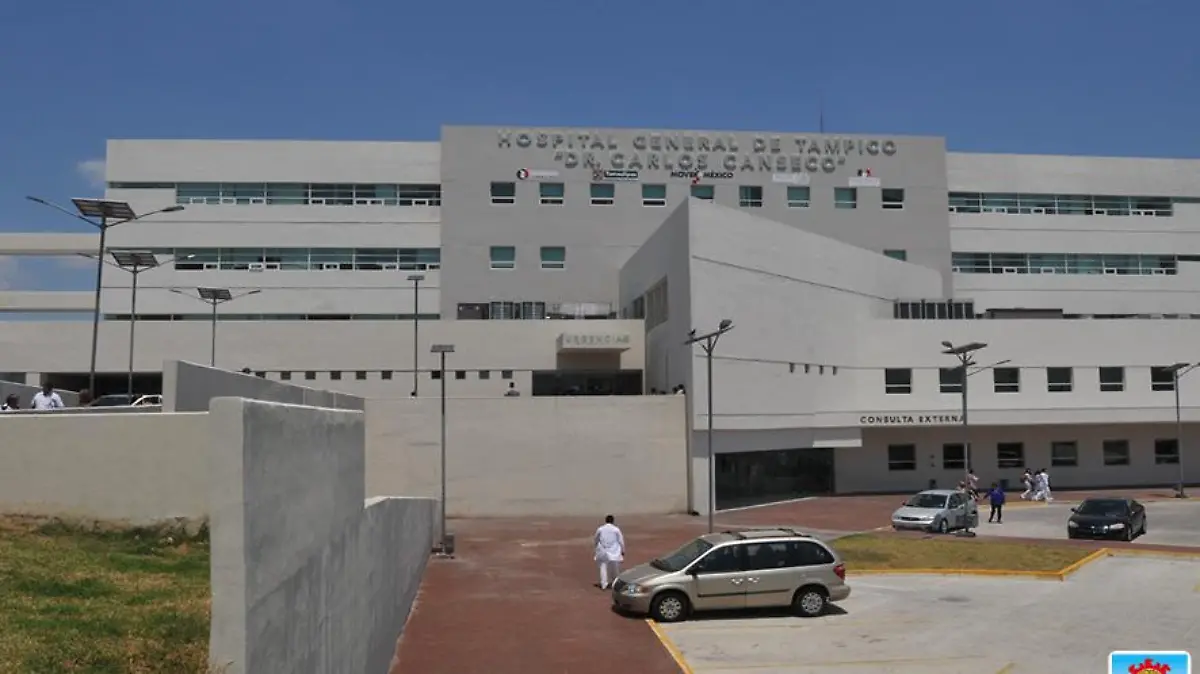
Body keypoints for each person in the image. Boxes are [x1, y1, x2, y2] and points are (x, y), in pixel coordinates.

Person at [593, 514, 625, 590]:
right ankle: (615, 583)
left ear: (606, 521)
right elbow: (621, 541)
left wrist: (596, 547)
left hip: (602, 551)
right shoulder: (616, 530)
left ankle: (604, 584)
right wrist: (623, 550)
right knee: (615, 568)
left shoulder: (600, 529)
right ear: (613, 521)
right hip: (614, 551)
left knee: (603, 567)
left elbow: (596, 539)